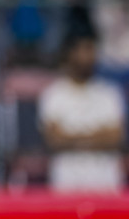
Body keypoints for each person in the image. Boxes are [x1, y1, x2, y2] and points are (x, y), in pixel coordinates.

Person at [39, 14, 125, 192]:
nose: (89, 56)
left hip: (106, 186)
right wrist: (96, 137)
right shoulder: (53, 95)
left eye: (92, 49)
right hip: (66, 186)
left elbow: (115, 138)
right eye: (83, 49)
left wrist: (73, 138)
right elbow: (55, 140)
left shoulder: (110, 94)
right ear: (69, 53)